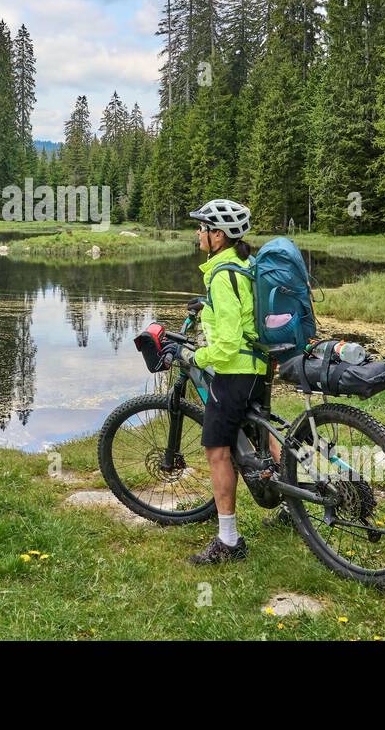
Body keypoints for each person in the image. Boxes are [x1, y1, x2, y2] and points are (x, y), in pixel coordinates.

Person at [164, 198, 279, 565]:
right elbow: (238, 313)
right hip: (259, 366)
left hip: (235, 371)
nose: (197, 233)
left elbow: (227, 344)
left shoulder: (222, 275)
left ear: (217, 235)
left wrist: (197, 357)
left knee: (217, 450)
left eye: (202, 228)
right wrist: (207, 304)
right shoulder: (241, 265)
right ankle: (296, 501)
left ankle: (228, 541)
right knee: (261, 430)